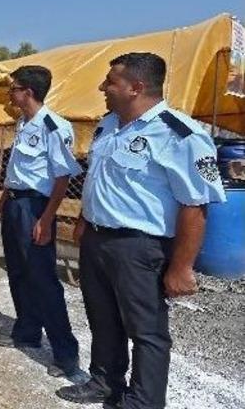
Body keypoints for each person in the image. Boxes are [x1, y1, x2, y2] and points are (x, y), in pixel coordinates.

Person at [56, 53, 226, 408]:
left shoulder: (180, 135)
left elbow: (195, 206)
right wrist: (84, 221)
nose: (103, 87)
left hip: (140, 247)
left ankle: (144, 401)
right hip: (98, 239)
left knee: (146, 331)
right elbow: (98, 180)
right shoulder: (108, 126)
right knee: (102, 317)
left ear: (136, 87)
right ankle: (105, 382)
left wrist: (181, 268)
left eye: (110, 82)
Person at [0, 65, 82, 378]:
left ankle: (65, 354)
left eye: (13, 88)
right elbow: (18, 168)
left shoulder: (54, 126)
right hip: (17, 203)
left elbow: (62, 177)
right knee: (18, 271)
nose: (10, 94)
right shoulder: (23, 122)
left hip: (36, 206)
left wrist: (46, 218)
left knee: (43, 278)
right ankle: (26, 332)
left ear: (28, 92)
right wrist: (5, 197)